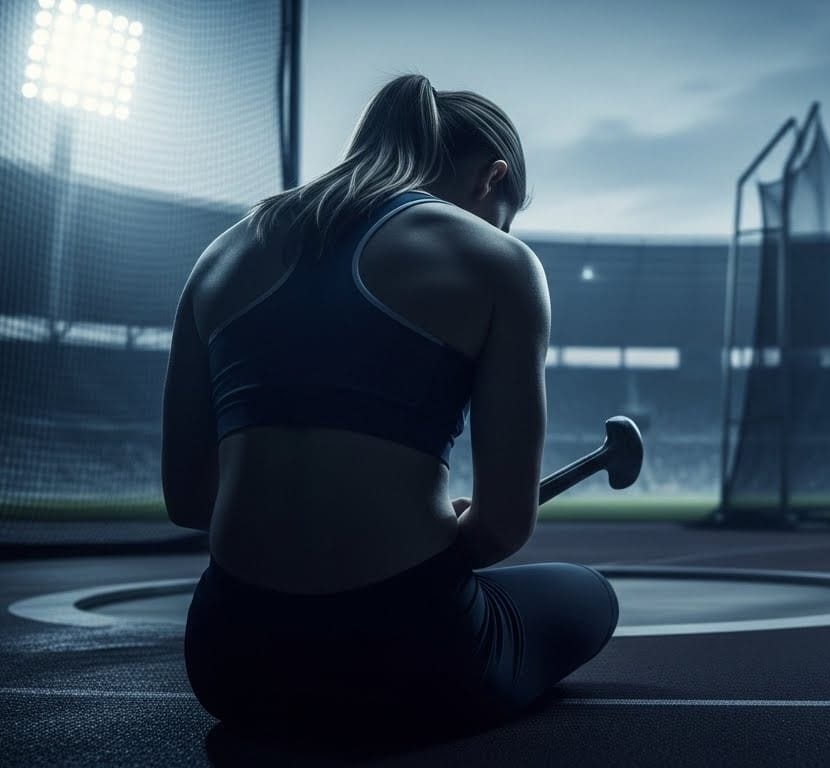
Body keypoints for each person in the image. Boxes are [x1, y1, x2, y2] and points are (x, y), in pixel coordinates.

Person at [161, 74, 618, 737]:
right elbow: (499, 532)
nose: (499, 230)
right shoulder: (498, 262)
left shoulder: (220, 256)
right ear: (489, 180)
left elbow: (188, 502)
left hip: (230, 660)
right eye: (502, 215)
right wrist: (444, 526)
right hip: (404, 660)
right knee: (587, 594)